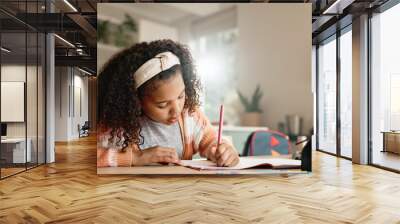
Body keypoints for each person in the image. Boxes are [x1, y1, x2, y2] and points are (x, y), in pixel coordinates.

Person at [97, 39, 239, 167]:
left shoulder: (189, 114)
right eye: (162, 104)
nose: (176, 110)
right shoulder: (119, 125)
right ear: (137, 101)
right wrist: (135, 158)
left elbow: (210, 140)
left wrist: (221, 150)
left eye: (181, 96)